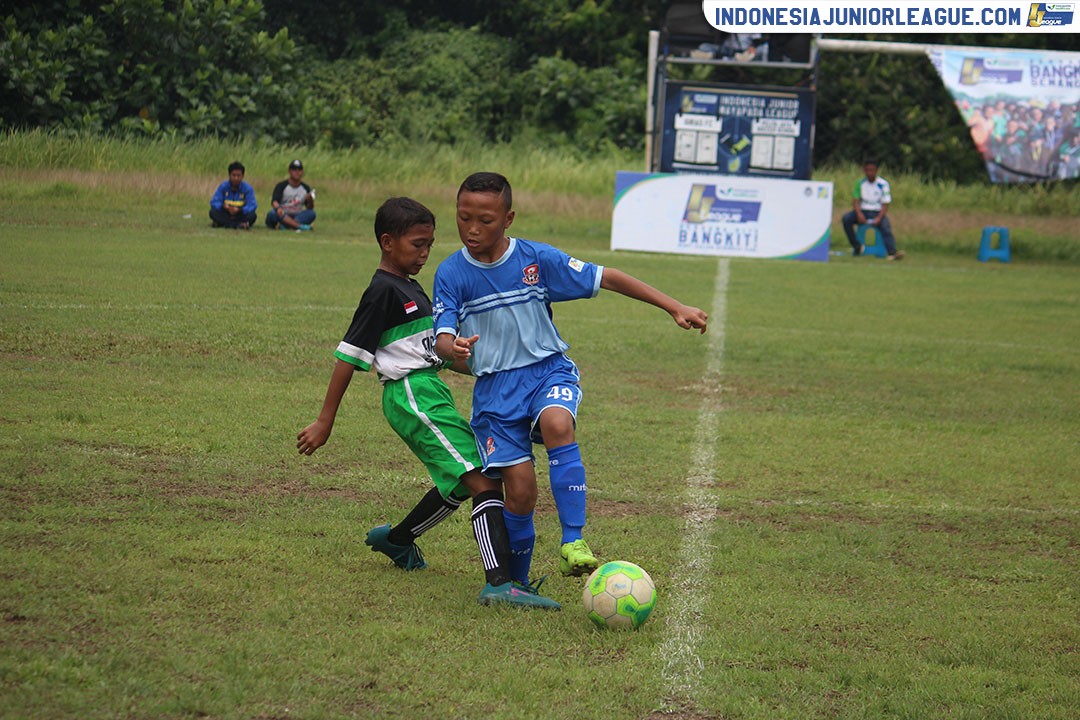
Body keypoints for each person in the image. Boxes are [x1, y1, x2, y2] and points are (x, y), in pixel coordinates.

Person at [432, 172, 708, 585]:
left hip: (547, 371)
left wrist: (673, 306)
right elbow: (442, 336)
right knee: (520, 492)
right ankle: (517, 586)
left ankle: (573, 540)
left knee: (558, 423)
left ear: (508, 219)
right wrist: (450, 348)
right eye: (463, 217)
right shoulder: (452, 273)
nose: (472, 229)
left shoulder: (536, 259)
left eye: (485, 220)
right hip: (496, 391)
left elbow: (607, 276)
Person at [296, 196, 559, 610]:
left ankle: (398, 540)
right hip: (410, 394)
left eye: (429, 245)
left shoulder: (412, 287)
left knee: (461, 478)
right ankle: (499, 583)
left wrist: (487, 366)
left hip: (430, 390)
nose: (424, 253)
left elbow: (433, 353)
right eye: (417, 244)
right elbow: (348, 357)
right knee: (482, 480)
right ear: (387, 242)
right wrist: (324, 421)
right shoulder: (381, 291)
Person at [841, 159, 905, 261]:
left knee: (885, 226)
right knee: (846, 219)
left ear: (876, 171)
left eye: (872, 170)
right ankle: (857, 246)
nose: (869, 173)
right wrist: (859, 214)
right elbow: (855, 201)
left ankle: (892, 252)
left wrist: (879, 218)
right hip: (863, 211)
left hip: (877, 212)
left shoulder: (883, 184)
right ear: (864, 171)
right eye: (867, 170)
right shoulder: (860, 183)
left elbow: (885, 204)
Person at [266, 159, 317, 231]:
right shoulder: (281, 186)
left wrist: (310, 200)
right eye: (294, 169)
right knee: (272, 214)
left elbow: (309, 207)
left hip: (297, 214)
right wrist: (278, 208)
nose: (297, 172)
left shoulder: (305, 188)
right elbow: (274, 201)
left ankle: (287, 225)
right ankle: (298, 226)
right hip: (283, 212)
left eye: (299, 170)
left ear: (302, 172)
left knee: (311, 214)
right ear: (289, 171)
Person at [209, 161, 258, 229]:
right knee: (213, 212)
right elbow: (214, 202)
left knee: (252, 216)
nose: (236, 178)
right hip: (226, 213)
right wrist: (224, 206)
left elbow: (252, 205)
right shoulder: (223, 186)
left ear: (243, 176)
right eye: (233, 175)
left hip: (240, 214)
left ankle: (223, 223)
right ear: (229, 175)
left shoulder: (248, 189)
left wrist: (239, 210)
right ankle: (238, 225)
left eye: (238, 176)